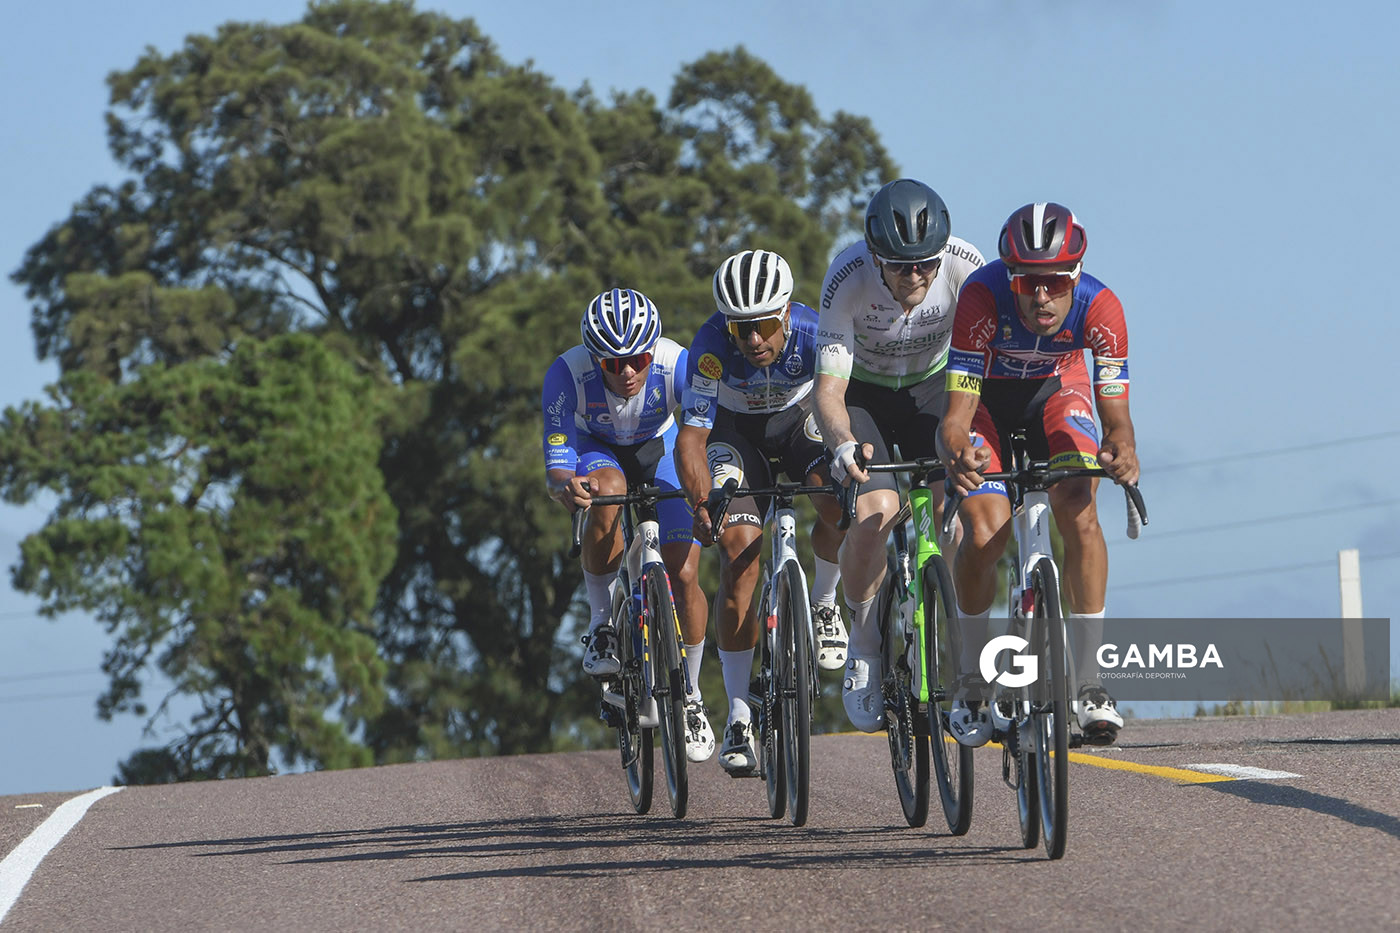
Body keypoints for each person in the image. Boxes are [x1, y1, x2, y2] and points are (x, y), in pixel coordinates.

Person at [936, 202, 1140, 748]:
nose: (1042, 296)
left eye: (1054, 282)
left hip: (1058, 389)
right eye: (1028, 282)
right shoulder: (980, 298)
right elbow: (956, 417)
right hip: (987, 405)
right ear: (1011, 277)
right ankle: (973, 677)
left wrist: (1121, 449)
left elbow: (1117, 419)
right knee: (984, 530)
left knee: (1078, 501)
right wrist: (959, 453)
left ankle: (1090, 681)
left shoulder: (1102, 309)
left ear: (1075, 275)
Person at [815, 178, 986, 732]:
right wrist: (841, 444)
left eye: (925, 265)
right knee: (874, 515)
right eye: (899, 265)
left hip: (936, 391)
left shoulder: (964, 268)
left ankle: (963, 650)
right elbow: (828, 392)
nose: (915, 276)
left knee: (956, 520)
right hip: (864, 397)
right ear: (874, 257)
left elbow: (984, 365)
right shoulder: (847, 279)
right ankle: (864, 647)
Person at [674, 249, 847, 775]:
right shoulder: (709, 347)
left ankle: (823, 600)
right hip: (736, 436)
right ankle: (739, 713)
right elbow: (692, 438)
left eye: (764, 327)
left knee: (838, 501)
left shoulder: (817, 332)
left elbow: (839, 404)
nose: (752, 341)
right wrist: (702, 503)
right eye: (741, 329)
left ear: (787, 313)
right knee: (738, 556)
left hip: (800, 422)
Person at [542, 287, 715, 763]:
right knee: (610, 487)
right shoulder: (566, 373)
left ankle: (693, 695)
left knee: (683, 575)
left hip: (660, 450)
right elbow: (557, 460)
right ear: (595, 360)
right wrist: (565, 486)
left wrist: (702, 495)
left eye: (637, 359)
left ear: (651, 349)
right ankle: (601, 622)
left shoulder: (676, 363)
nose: (628, 373)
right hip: (597, 450)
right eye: (613, 365)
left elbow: (700, 435)